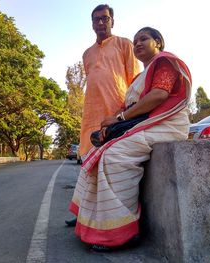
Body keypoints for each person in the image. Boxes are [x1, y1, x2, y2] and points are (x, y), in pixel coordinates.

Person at [68, 27, 192, 251]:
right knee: (96, 155)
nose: (138, 44)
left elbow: (159, 96)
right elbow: (131, 108)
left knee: (114, 156)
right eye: (135, 41)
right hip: (148, 123)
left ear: (158, 42)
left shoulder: (164, 61)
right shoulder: (139, 77)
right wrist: (113, 123)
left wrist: (121, 118)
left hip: (167, 124)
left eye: (144, 39)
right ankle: (89, 219)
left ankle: (122, 232)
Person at [65, 3, 140, 227]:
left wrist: (126, 113)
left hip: (115, 116)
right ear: (91, 24)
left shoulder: (124, 45)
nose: (100, 23)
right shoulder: (87, 53)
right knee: (89, 167)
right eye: (96, 19)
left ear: (112, 21)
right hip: (91, 116)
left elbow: (135, 82)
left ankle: (109, 220)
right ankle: (84, 216)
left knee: (111, 169)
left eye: (104, 19)